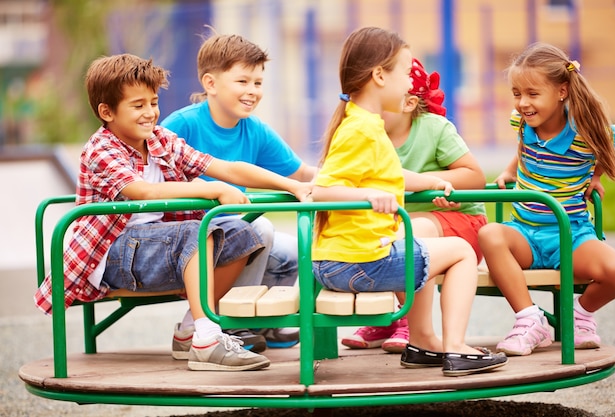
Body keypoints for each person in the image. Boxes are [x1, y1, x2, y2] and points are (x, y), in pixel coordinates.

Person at [33, 53, 311, 372]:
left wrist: (293, 187)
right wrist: (211, 189)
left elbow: (224, 168)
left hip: (154, 248)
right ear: (106, 112)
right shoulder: (101, 148)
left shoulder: (159, 140)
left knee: (243, 234)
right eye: (138, 106)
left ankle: (194, 330)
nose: (150, 113)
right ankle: (207, 339)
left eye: (153, 102)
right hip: (111, 254)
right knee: (196, 231)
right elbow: (142, 191)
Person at [310, 26, 507, 376]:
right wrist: (367, 195)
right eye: (404, 71)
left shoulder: (364, 123)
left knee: (423, 250)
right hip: (357, 262)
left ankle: (423, 343)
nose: (408, 81)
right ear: (379, 76)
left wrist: (433, 181)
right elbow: (322, 190)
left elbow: (389, 175)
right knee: (460, 252)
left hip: (345, 259)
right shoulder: (362, 129)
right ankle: (456, 348)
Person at [162, 31, 316, 353]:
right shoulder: (183, 125)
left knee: (297, 250)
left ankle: (263, 323)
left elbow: (301, 172)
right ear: (211, 84)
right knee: (259, 227)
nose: (252, 91)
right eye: (242, 82)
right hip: (193, 239)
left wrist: (350, 179)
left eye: (258, 83)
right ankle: (229, 322)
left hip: (232, 235)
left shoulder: (254, 130)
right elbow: (156, 181)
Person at [478, 42, 615, 356]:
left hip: (569, 236)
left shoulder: (587, 134)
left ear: (562, 91)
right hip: (525, 235)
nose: (522, 103)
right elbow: (523, 149)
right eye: (517, 94)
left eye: (532, 94)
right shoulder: (521, 123)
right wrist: (508, 170)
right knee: (490, 233)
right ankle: (529, 320)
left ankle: (579, 315)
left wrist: (597, 173)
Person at [341, 58, 488, 354]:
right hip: (400, 226)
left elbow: (476, 177)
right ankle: (391, 319)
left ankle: (411, 323)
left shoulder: (434, 128)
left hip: (459, 224)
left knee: (413, 231)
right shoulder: (367, 135)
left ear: (408, 103)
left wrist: (429, 182)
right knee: (389, 235)